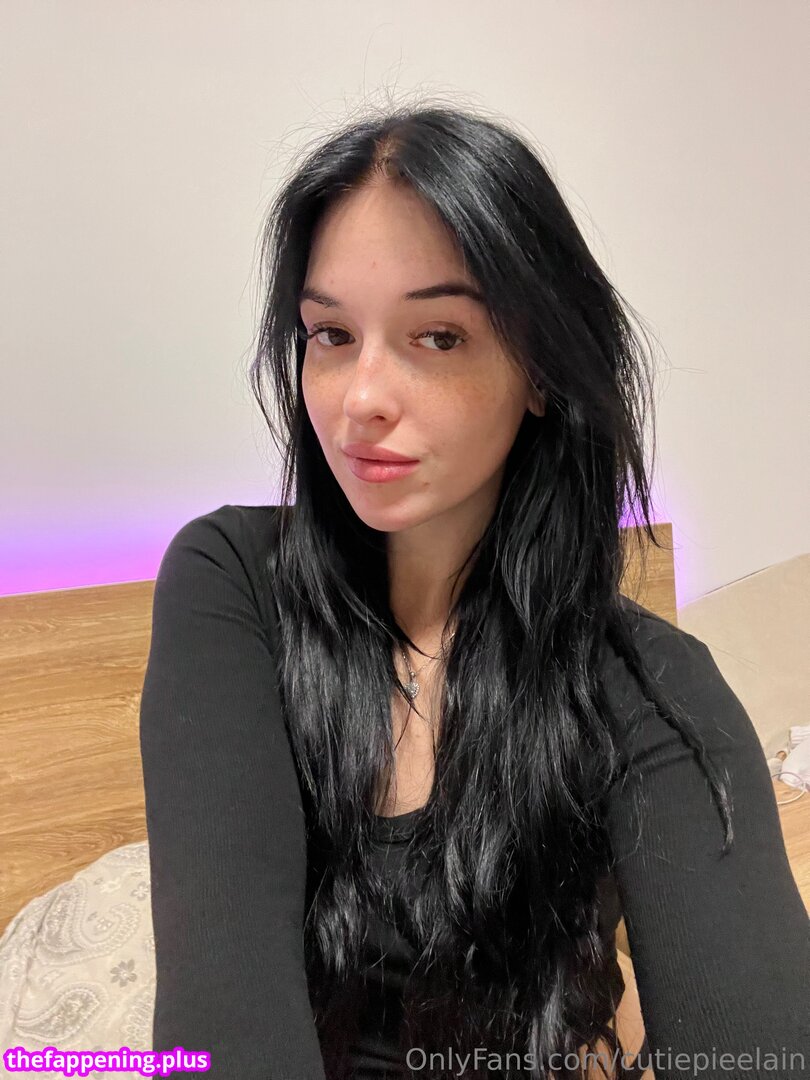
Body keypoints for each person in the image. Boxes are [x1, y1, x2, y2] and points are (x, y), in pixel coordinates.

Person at [139, 103, 809, 1080]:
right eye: (331, 333)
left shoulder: (651, 686)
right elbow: (218, 1027)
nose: (361, 396)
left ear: (540, 369)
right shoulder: (234, 582)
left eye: (439, 336)